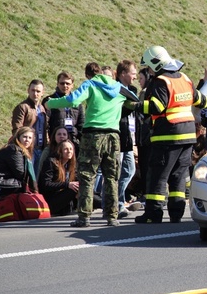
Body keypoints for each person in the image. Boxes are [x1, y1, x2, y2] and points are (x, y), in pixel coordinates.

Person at [45, 62, 140, 227]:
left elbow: (73, 100)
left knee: (87, 175)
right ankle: (112, 216)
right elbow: (134, 102)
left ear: (92, 75)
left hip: (92, 135)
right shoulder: (119, 88)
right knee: (111, 177)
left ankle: (84, 217)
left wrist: (50, 103)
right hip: (113, 136)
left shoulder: (90, 84)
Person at [131, 46, 207, 224]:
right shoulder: (184, 78)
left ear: (155, 64)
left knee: (158, 175)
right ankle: (176, 213)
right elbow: (202, 101)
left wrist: (135, 105)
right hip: (188, 135)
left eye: (149, 67)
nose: (149, 71)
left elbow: (157, 107)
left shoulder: (161, 81)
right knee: (178, 176)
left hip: (167, 135)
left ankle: (154, 213)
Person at [0, 127, 38, 217]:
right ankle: (5, 210)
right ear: (18, 137)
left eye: (30, 138)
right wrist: (35, 191)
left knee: (20, 184)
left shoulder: (13, 148)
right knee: (22, 185)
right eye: (24, 137)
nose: (27, 140)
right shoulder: (14, 150)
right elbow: (21, 174)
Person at [115, 60, 138, 219]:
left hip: (130, 136)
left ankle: (118, 200)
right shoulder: (115, 90)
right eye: (133, 73)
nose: (135, 77)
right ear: (123, 74)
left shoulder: (133, 90)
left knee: (130, 169)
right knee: (117, 172)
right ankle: (116, 204)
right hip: (118, 135)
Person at [11, 79, 48, 176]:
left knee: (35, 179)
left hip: (40, 149)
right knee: (26, 177)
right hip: (27, 149)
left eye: (38, 91)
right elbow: (17, 129)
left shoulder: (42, 109)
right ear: (28, 90)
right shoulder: (22, 107)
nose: (35, 93)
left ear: (42, 93)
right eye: (33, 90)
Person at [43, 71, 85, 153]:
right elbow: (45, 123)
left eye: (67, 83)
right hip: (55, 144)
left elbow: (81, 125)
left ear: (72, 85)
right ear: (57, 84)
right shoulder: (50, 101)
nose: (65, 86)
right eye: (62, 83)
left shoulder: (77, 103)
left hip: (73, 144)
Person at [38, 140, 79, 216]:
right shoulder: (50, 162)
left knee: (81, 187)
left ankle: (104, 204)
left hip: (63, 200)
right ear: (60, 151)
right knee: (73, 189)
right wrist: (67, 185)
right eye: (66, 149)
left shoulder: (70, 165)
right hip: (50, 201)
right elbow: (46, 184)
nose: (69, 151)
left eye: (71, 149)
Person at [135, 67, 152, 202]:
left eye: (141, 78)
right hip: (147, 134)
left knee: (146, 165)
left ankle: (147, 193)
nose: (139, 81)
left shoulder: (145, 92)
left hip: (145, 135)